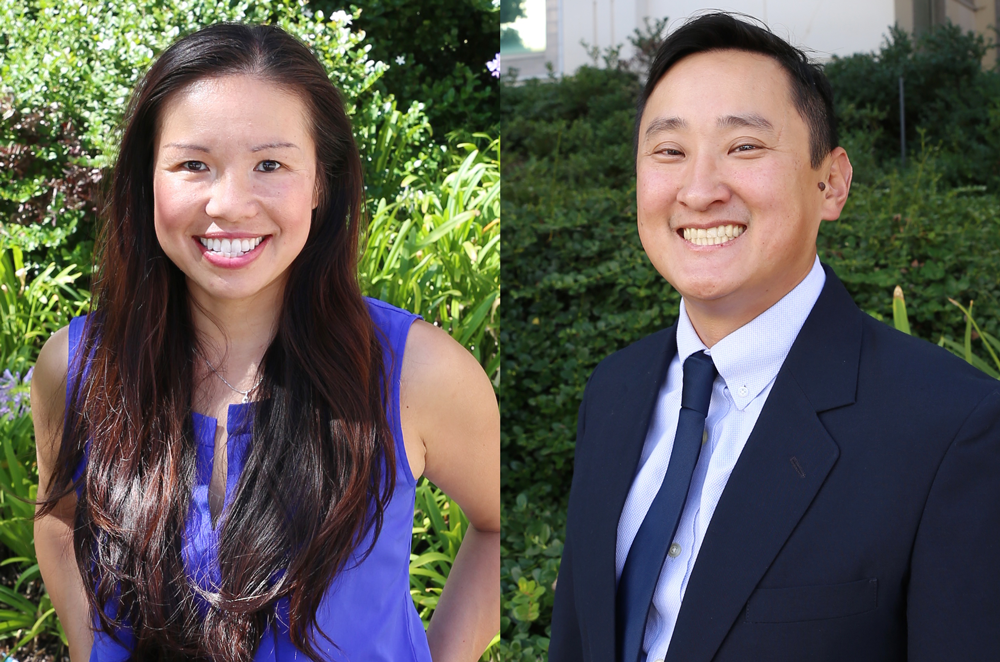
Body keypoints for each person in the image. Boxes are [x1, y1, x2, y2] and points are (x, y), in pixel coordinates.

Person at [29, 23, 499, 662]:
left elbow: (498, 526)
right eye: (194, 164)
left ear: (321, 183)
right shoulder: (79, 365)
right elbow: (58, 517)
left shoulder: (416, 372)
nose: (230, 204)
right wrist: (92, 648)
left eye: (270, 164)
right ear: (147, 179)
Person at [549, 12, 1000, 662]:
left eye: (744, 147)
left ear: (832, 182)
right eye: (670, 151)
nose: (699, 191)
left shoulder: (952, 430)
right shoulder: (614, 389)